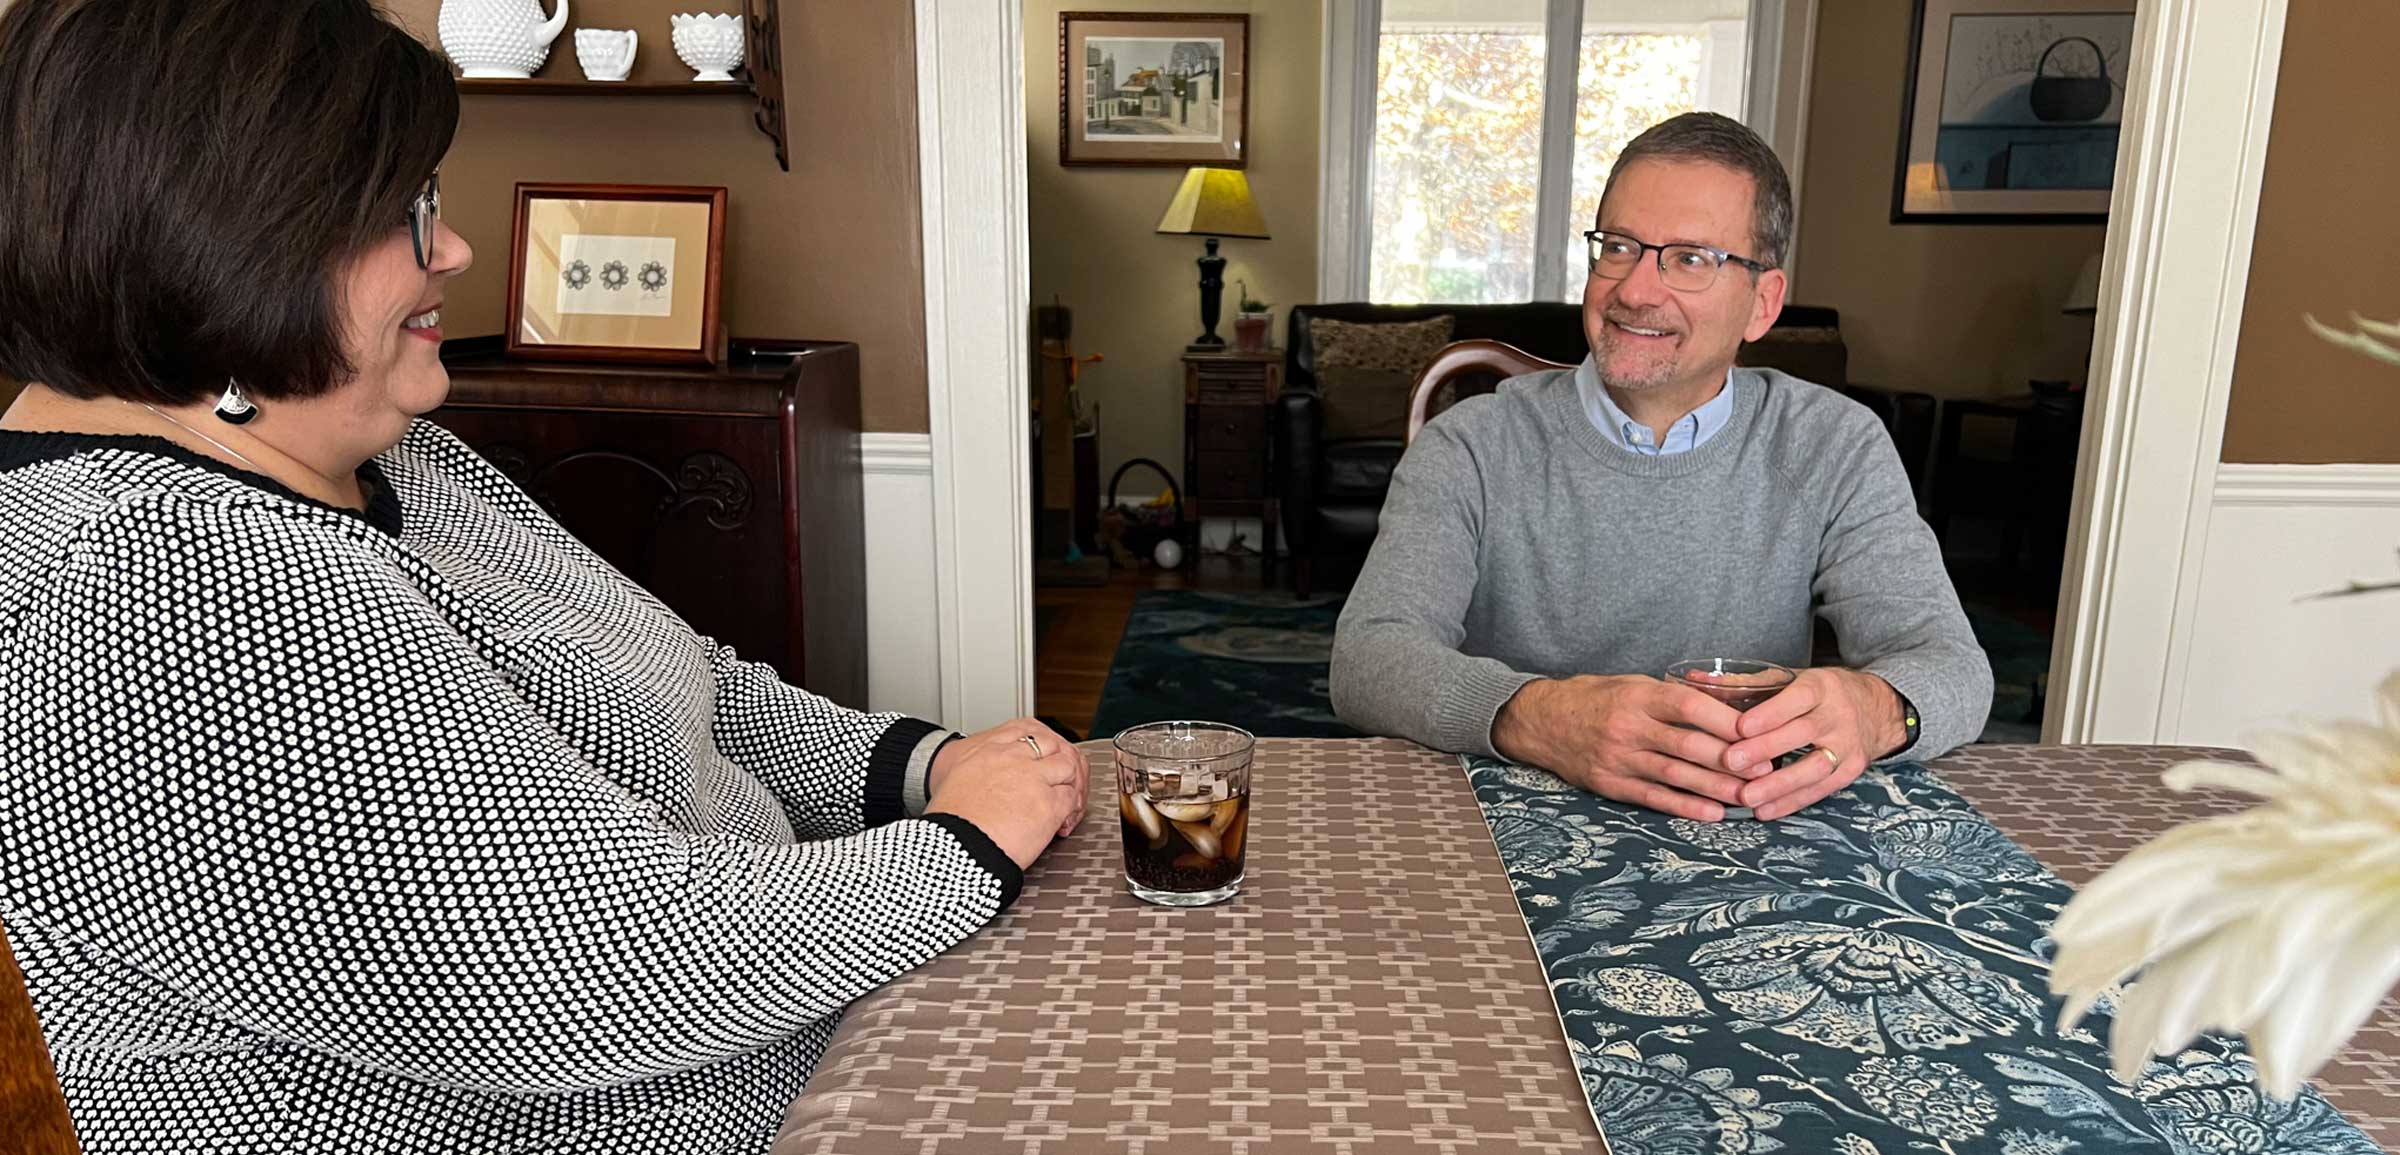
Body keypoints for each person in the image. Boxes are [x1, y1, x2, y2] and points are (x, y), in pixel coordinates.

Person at [0, 3, 1085, 1152]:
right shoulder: (148, 585)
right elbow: (598, 966)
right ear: (225, 232)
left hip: (816, 1032)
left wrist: (916, 767)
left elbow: (690, 688)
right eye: (406, 209)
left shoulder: (377, 442)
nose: (454, 248)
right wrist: (963, 844)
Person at [1330, 112, 1991, 823]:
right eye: (1618, 246)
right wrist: (1538, 715)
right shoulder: (1472, 444)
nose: (1635, 290)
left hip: (1751, 836)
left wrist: (1875, 708)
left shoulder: (1834, 445)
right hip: (1503, 829)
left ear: (1762, 303)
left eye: (1691, 258)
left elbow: (1953, 666)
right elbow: (1369, 658)